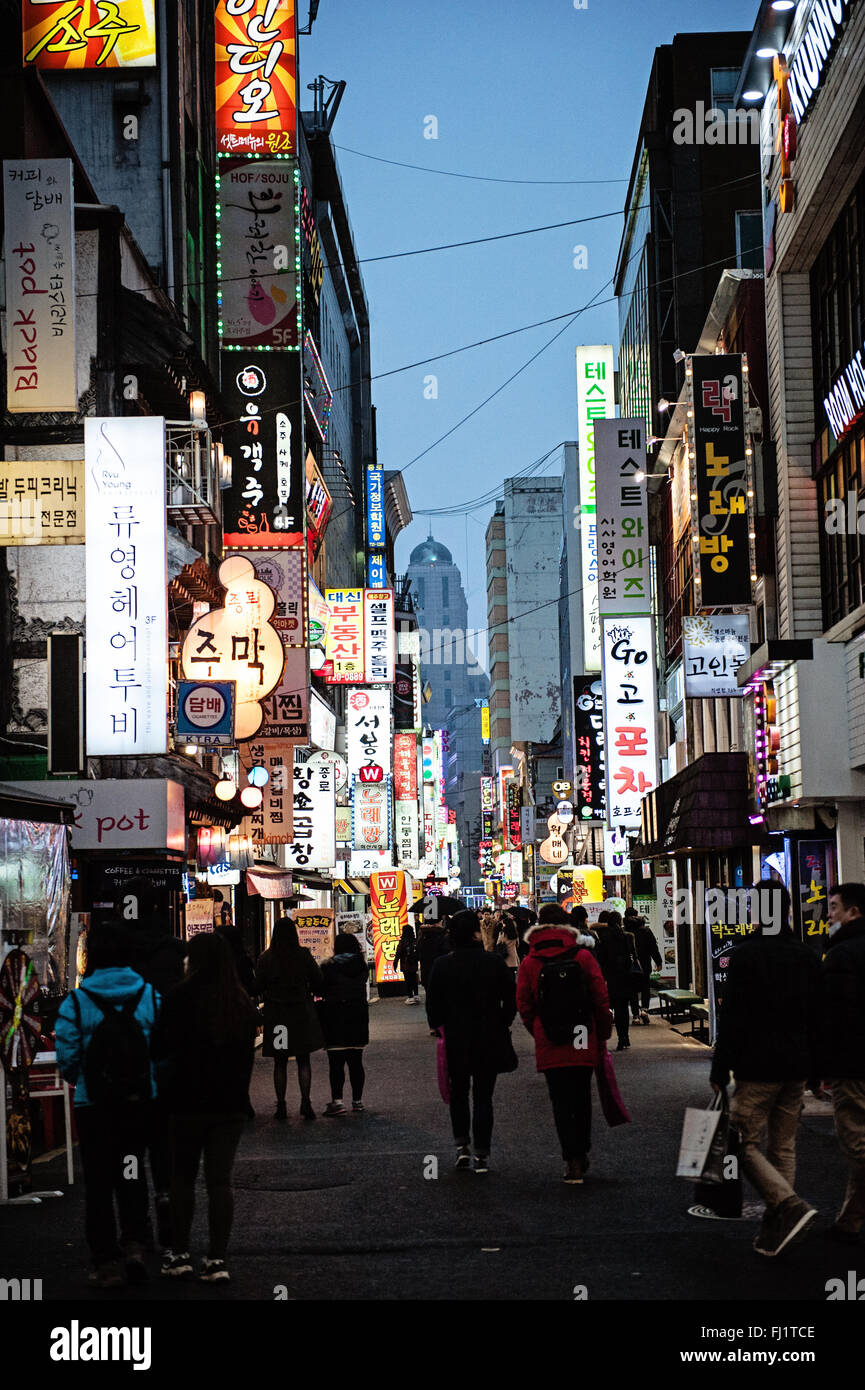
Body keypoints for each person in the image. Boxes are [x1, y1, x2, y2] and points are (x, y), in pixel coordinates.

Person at [710, 881, 821, 1257]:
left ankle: (789, 1206)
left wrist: (719, 1068)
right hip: (797, 1065)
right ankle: (778, 1227)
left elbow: (733, 1017)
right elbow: (818, 1017)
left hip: (757, 1065)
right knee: (784, 1145)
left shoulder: (746, 954)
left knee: (741, 1142)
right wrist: (818, 1067)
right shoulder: (806, 955)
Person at [55, 922, 160, 1288]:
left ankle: (106, 1262)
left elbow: (66, 1054)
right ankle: (134, 1245)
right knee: (132, 1173)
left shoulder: (77, 1002)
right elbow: (160, 1047)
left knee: (98, 1183)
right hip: (137, 1103)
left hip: (94, 1105)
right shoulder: (148, 994)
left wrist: (79, 1079)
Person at [153, 932, 257, 1282]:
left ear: (192, 961)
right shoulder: (239, 1002)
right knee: (220, 1181)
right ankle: (216, 1260)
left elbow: (158, 1049)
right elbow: (246, 1058)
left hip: (184, 1102)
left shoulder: (177, 998)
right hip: (229, 1105)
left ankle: (180, 1253)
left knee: (181, 1178)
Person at [516, 903, 612, 1183]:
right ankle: (581, 1154)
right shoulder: (583, 956)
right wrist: (601, 1033)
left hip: (550, 1039)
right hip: (584, 1037)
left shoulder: (530, 962)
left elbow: (524, 1005)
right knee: (581, 1097)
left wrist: (539, 1030)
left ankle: (570, 1160)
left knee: (560, 1100)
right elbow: (600, 997)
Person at [426, 909, 516, 1174]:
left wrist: (440, 1027)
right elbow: (510, 1000)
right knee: (483, 1096)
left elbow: (433, 1005)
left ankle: (461, 1146)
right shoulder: (493, 963)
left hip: (456, 1037)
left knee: (459, 1093)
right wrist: (502, 1021)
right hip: (489, 1035)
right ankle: (482, 1154)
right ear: (476, 934)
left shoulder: (442, 965)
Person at [819, 882, 865, 1245]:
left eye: (833, 907)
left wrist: (820, 1067)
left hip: (852, 1064)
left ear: (854, 912)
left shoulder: (840, 955)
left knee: (856, 1143)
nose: (828, 914)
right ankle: (849, 1221)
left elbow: (832, 1018)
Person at [255, 915, 324, 1120]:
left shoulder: (266, 958)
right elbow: (318, 980)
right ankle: (306, 1103)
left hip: (277, 1016)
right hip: (301, 1014)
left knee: (280, 1061)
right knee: (303, 1059)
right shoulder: (302, 955)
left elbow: (257, 986)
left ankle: (282, 1106)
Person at [318, 933, 370, 1115]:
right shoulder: (361, 965)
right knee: (356, 1061)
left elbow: (319, 989)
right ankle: (358, 1101)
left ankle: (337, 1102)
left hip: (334, 1016)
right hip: (358, 1015)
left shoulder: (327, 967)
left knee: (336, 1063)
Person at [596, 911, 639, 1050]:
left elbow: (601, 959)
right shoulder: (627, 937)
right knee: (623, 1008)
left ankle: (618, 1037)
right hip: (626, 977)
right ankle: (624, 1037)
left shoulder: (604, 938)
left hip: (611, 977)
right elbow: (633, 955)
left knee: (614, 1006)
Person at [629, 914, 662, 1023]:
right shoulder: (647, 931)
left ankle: (635, 1016)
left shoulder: (627, 932)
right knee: (645, 988)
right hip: (644, 966)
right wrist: (659, 962)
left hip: (631, 966)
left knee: (632, 991)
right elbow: (653, 948)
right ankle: (644, 1010)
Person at [417, 918, 451, 993]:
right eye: (441, 922)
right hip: (440, 974)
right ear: (437, 923)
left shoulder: (422, 935)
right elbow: (446, 953)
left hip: (426, 972)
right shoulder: (441, 936)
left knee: (430, 998)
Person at [394, 921, 421, 1004]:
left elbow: (398, 953)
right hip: (414, 964)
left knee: (408, 981)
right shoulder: (414, 940)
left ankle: (410, 997)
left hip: (405, 964)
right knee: (414, 979)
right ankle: (416, 995)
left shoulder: (402, 942)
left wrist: (395, 963)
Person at [497, 913, 520, 978]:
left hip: (505, 959)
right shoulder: (515, 934)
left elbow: (498, 943)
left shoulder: (502, 933)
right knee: (513, 977)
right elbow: (517, 945)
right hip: (514, 959)